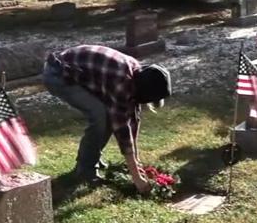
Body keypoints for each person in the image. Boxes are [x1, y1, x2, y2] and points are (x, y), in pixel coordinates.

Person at [43, 45, 172, 193]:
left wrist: (136, 161)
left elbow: (133, 119)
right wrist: (136, 177)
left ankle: (91, 158)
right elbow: (122, 128)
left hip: (81, 73)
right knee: (101, 116)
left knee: (107, 115)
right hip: (58, 74)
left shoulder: (138, 75)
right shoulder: (122, 81)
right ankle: (85, 169)